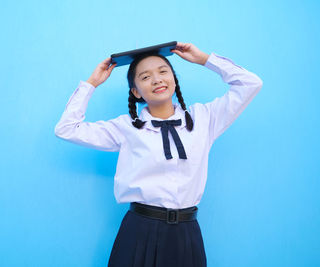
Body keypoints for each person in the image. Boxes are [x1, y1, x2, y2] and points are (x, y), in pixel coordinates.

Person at [54, 42, 263, 267]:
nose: (157, 79)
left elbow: (251, 84)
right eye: (145, 77)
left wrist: (204, 59)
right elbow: (66, 128)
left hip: (186, 231)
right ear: (136, 92)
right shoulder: (126, 127)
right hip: (139, 229)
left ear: (174, 78)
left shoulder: (205, 119)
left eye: (163, 71)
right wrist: (91, 83)